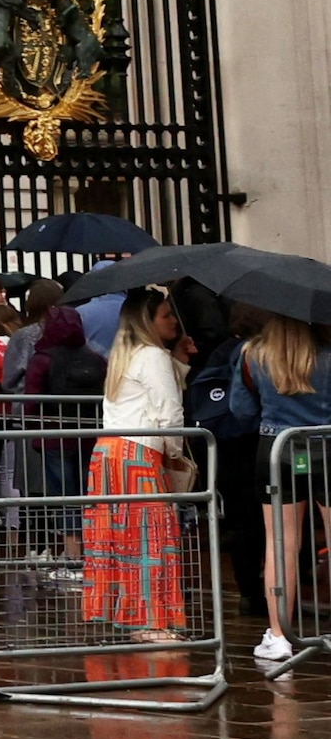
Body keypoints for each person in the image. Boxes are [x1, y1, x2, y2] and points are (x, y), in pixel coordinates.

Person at [84, 284, 198, 668]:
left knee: (125, 540)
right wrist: (178, 457)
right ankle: (150, 621)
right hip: (139, 454)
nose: (174, 321)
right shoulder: (152, 356)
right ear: (149, 320)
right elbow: (168, 413)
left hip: (110, 452)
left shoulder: (126, 353)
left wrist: (178, 362)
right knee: (151, 539)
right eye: (167, 315)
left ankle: (136, 618)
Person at [223, 309, 328, 667]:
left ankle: (279, 636)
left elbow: (241, 411)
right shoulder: (326, 355)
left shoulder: (254, 355)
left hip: (276, 451)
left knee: (280, 543)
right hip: (327, 448)